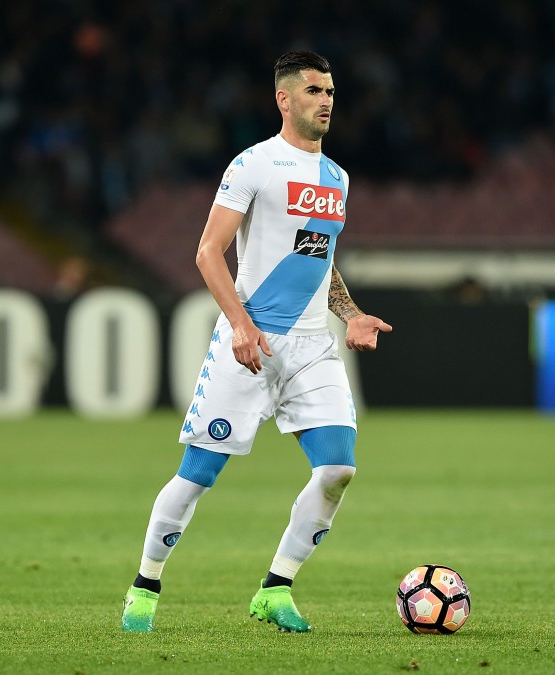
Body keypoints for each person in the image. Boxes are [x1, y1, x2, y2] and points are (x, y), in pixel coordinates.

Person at [120, 51, 392, 633]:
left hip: (312, 345)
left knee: (338, 470)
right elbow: (207, 251)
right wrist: (241, 326)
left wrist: (350, 313)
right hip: (251, 340)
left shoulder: (338, 178)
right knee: (197, 474)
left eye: (331, 91)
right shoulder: (254, 165)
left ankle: (276, 588)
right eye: (315, 91)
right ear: (284, 99)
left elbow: (321, 259)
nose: (327, 101)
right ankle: (144, 588)